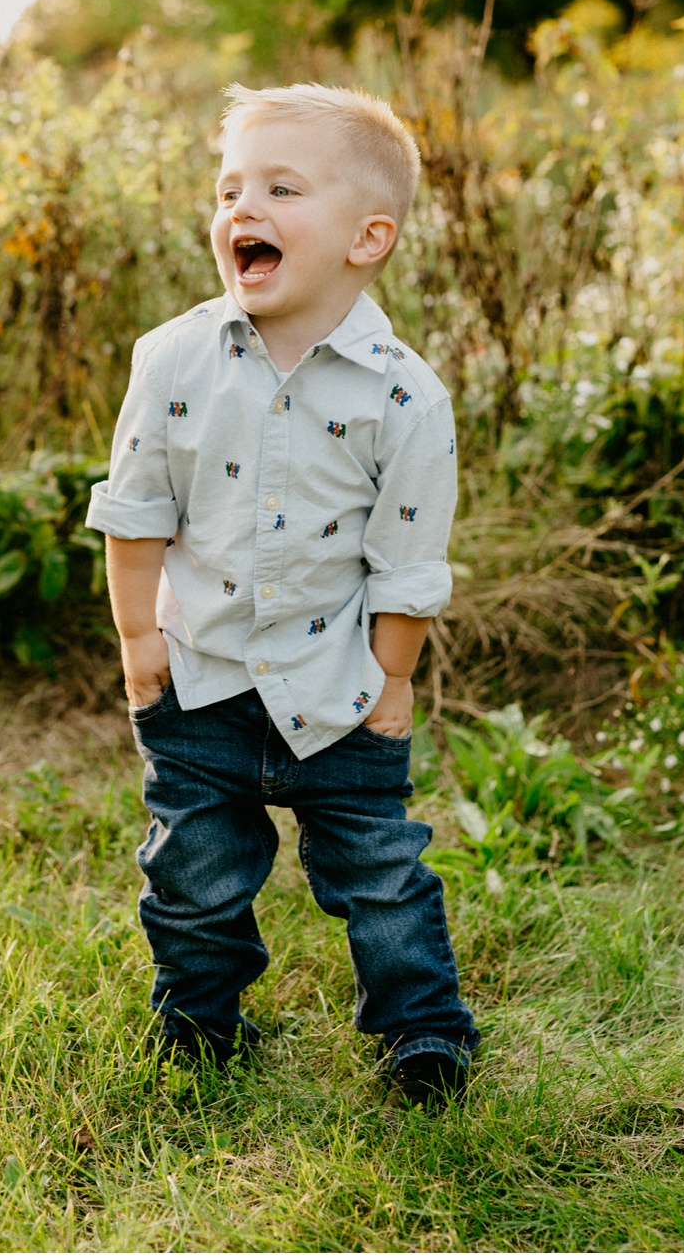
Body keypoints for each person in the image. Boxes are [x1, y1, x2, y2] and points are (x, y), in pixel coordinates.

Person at [86, 82, 479, 1106]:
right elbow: (137, 511)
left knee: (382, 874)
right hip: (202, 678)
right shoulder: (173, 359)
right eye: (229, 190)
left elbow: (407, 559)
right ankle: (199, 1024)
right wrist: (139, 639)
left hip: (339, 685)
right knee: (194, 876)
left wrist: (393, 676)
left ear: (368, 236)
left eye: (281, 188)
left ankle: (423, 1033)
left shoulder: (405, 396)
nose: (242, 210)